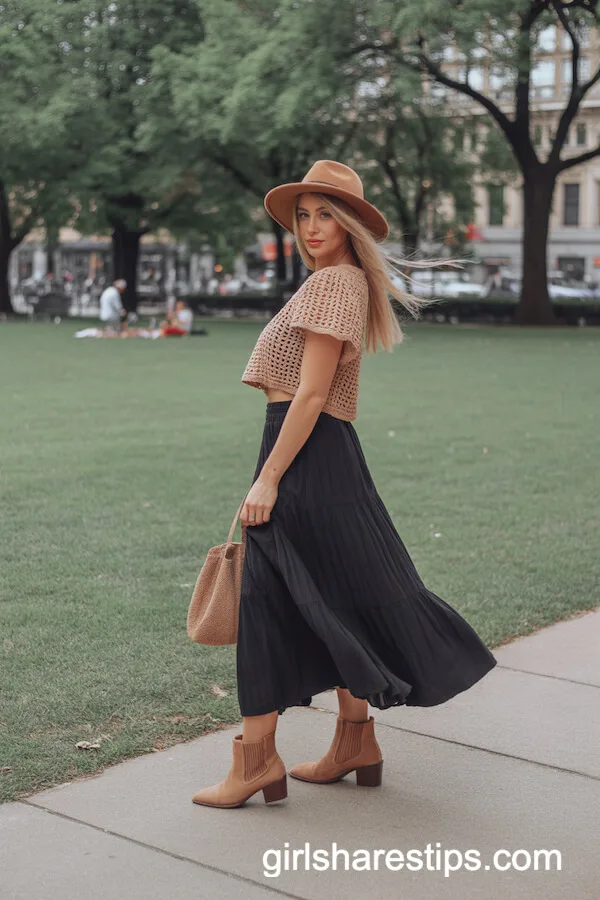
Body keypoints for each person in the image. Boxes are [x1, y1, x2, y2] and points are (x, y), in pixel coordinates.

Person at [191, 160, 497, 810]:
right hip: (312, 453)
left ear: (351, 222)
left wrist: (270, 477)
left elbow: (310, 394)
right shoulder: (334, 282)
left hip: (304, 452)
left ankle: (255, 762)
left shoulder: (335, 284)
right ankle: (353, 739)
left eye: (326, 213)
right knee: (330, 593)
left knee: (266, 602)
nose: (311, 227)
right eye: (303, 214)